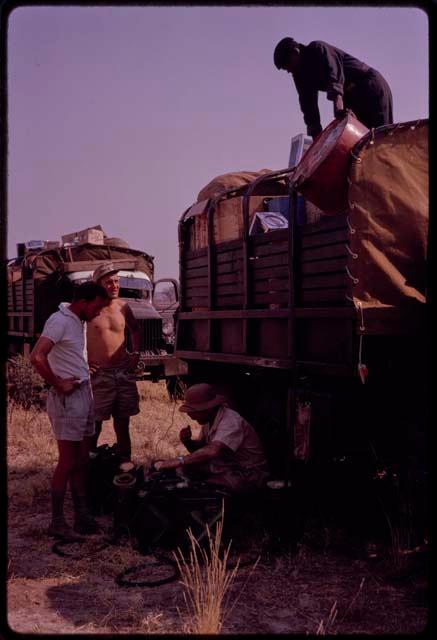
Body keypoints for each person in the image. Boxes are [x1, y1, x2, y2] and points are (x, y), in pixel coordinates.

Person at [30, 281, 109, 538]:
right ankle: (57, 522)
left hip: (83, 393)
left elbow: (69, 354)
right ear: (84, 302)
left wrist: (83, 368)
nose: (98, 313)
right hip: (68, 399)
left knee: (83, 460)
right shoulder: (59, 320)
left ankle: (82, 517)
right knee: (68, 461)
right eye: (97, 307)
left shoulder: (78, 321)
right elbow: (37, 356)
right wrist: (58, 383)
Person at [154, 383, 269, 493]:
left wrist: (180, 460)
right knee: (184, 471)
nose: (190, 415)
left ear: (208, 408)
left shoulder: (231, 421)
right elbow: (202, 451)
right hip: (228, 466)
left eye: (194, 411)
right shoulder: (209, 421)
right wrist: (187, 442)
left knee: (202, 487)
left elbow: (211, 451)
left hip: (249, 473)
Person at [273, 37, 393, 139]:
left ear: (296, 52)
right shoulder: (299, 75)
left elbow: (334, 79)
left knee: (380, 139)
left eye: (287, 65)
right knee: (360, 143)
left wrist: (338, 110)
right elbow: (308, 107)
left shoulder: (317, 49)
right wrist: (317, 141)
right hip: (351, 97)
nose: (288, 70)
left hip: (370, 87)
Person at [87, 262, 141, 461]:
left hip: (123, 373)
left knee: (123, 423)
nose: (115, 286)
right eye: (109, 282)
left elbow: (135, 329)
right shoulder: (89, 309)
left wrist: (135, 354)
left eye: (117, 281)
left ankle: (124, 468)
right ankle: (89, 466)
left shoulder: (123, 306)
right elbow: (72, 339)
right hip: (99, 375)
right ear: (98, 284)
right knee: (95, 423)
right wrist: (83, 363)